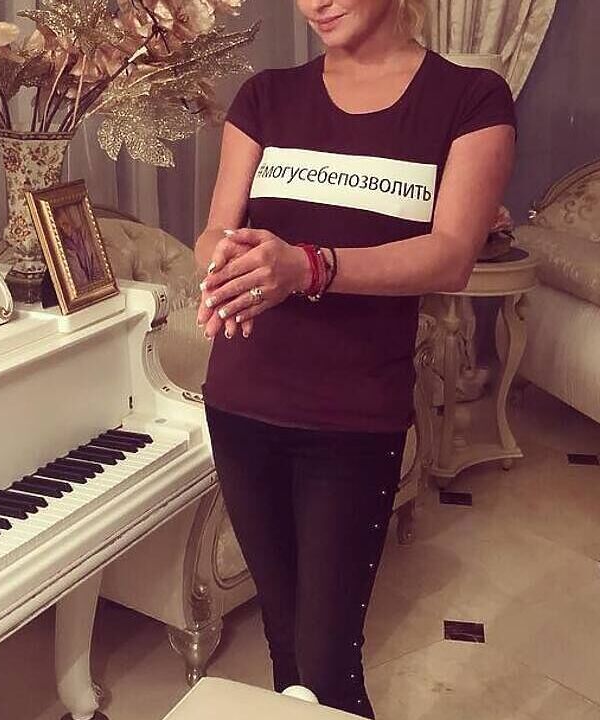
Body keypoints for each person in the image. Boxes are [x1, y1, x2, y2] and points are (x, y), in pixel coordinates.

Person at [193, 0, 516, 716]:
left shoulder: (470, 99)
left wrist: (308, 266)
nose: (316, 3)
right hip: (241, 403)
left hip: (351, 419)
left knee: (328, 664)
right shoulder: (266, 97)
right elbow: (215, 230)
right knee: (285, 647)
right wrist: (226, 266)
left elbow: (451, 255)